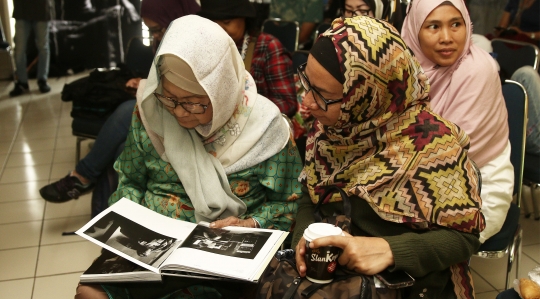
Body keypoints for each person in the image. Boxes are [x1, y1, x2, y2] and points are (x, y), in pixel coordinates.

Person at [74, 15, 303, 299]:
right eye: (169, 98)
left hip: (226, 261)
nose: (179, 112)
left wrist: (252, 223)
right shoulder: (151, 112)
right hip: (151, 254)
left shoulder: (266, 128)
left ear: (222, 90)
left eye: (195, 102)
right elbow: (130, 181)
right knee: (89, 294)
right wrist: (131, 227)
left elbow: (291, 203)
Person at [292, 16, 485, 298]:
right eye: (306, 82)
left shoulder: (433, 147)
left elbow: (463, 238)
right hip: (335, 279)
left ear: (365, 96)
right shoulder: (331, 130)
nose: (306, 103)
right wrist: (305, 241)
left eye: (321, 94)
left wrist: (388, 250)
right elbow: (312, 196)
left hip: (405, 285)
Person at [39, 0, 200, 203]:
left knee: (127, 111)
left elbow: (191, 89)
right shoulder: (167, 39)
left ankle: (82, 177)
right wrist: (144, 81)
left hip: (192, 116)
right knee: (122, 149)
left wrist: (150, 87)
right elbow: (163, 76)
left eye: (157, 29)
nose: (155, 36)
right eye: (150, 31)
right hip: (169, 108)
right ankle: (110, 205)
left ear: (173, 18)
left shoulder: (199, 40)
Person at [401, 0, 514, 244]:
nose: (447, 37)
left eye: (456, 24)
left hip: (477, 188)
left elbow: (449, 152)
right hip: (414, 178)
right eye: (433, 26)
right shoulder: (406, 68)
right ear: (413, 30)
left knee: (400, 244)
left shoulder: (477, 69)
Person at [198, 0, 297, 117]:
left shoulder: (268, 47)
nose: (220, 29)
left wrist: (244, 112)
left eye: (227, 22)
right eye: (213, 23)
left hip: (255, 126)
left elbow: (287, 104)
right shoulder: (203, 46)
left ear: (244, 18)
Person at [9, 0, 54, 97]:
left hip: (41, 9)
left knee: (43, 47)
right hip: (21, 11)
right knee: (19, 50)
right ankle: (22, 82)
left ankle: (42, 79)